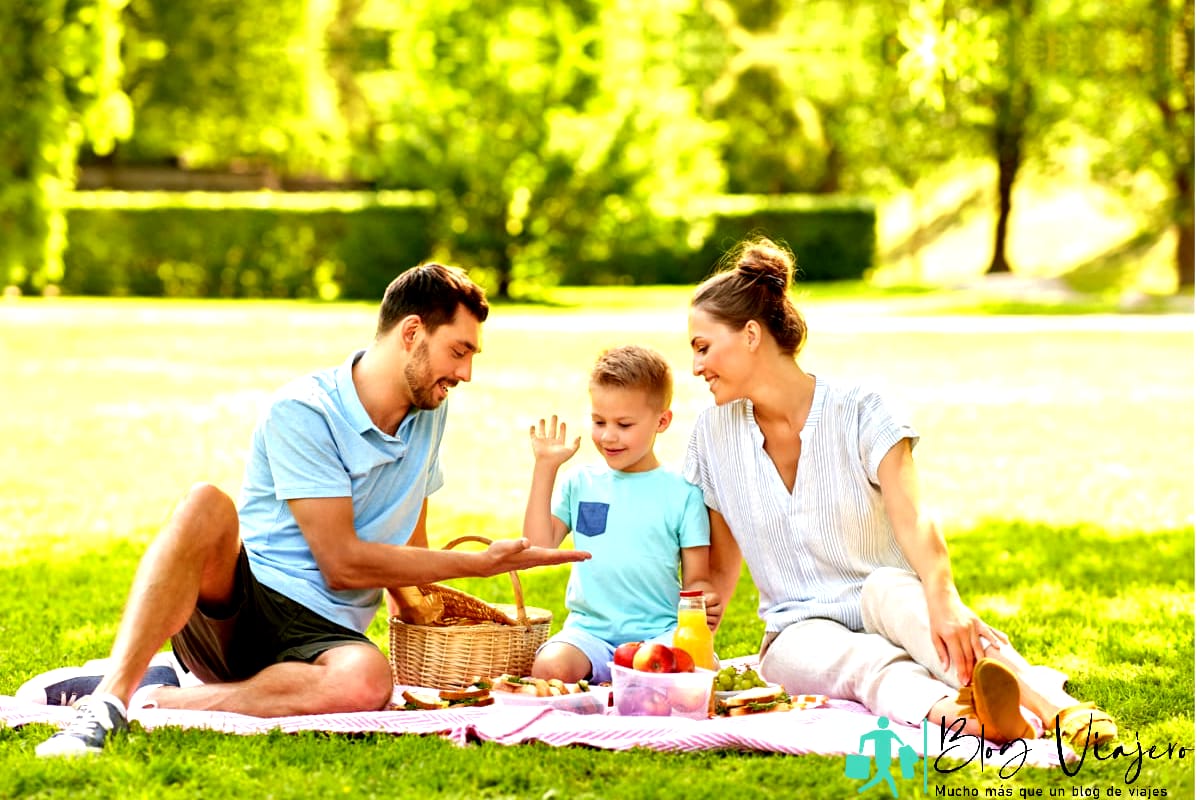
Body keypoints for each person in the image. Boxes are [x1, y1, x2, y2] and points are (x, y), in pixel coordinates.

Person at [35, 262, 590, 757]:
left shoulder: (431, 410)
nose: (466, 373)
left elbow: (408, 539)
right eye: (459, 351)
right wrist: (477, 564)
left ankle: (161, 697)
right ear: (412, 333)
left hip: (324, 635)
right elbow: (341, 564)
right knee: (205, 502)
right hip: (248, 605)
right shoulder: (305, 411)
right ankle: (107, 701)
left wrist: (432, 612)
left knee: (368, 680)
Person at [683, 237, 1117, 748]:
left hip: (883, 597)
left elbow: (914, 518)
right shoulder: (711, 435)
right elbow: (720, 564)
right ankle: (976, 719)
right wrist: (696, 639)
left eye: (703, 347)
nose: (695, 367)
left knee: (901, 595)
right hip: (796, 632)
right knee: (865, 663)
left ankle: (1057, 709)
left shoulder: (862, 409)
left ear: (752, 335)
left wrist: (945, 599)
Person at [522, 345, 713, 684]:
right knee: (549, 669)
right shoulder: (580, 483)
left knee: (692, 668)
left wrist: (702, 605)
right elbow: (537, 549)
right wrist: (545, 468)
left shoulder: (683, 493)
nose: (608, 436)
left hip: (659, 634)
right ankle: (619, 679)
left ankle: (628, 681)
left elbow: (697, 577)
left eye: (624, 424)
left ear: (662, 421)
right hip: (588, 634)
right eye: (599, 422)